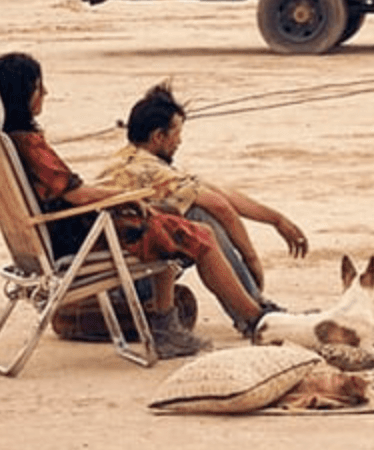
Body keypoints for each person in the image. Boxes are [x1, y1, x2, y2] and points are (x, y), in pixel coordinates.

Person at [0, 53, 262, 356]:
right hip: (77, 238)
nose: (46, 94)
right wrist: (128, 199)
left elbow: (70, 190)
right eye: (40, 87)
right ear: (22, 94)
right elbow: (78, 195)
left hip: (57, 232)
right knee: (199, 235)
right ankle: (255, 319)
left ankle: (170, 325)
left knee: (171, 218)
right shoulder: (30, 146)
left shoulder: (6, 140)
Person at [96, 81, 308, 324]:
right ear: (158, 136)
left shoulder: (131, 159)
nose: (180, 141)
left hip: (122, 266)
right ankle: (256, 314)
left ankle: (255, 307)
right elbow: (219, 205)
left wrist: (275, 219)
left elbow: (217, 190)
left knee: (196, 210)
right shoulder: (149, 171)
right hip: (122, 281)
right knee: (201, 216)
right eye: (177, 134)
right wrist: (251, 259)